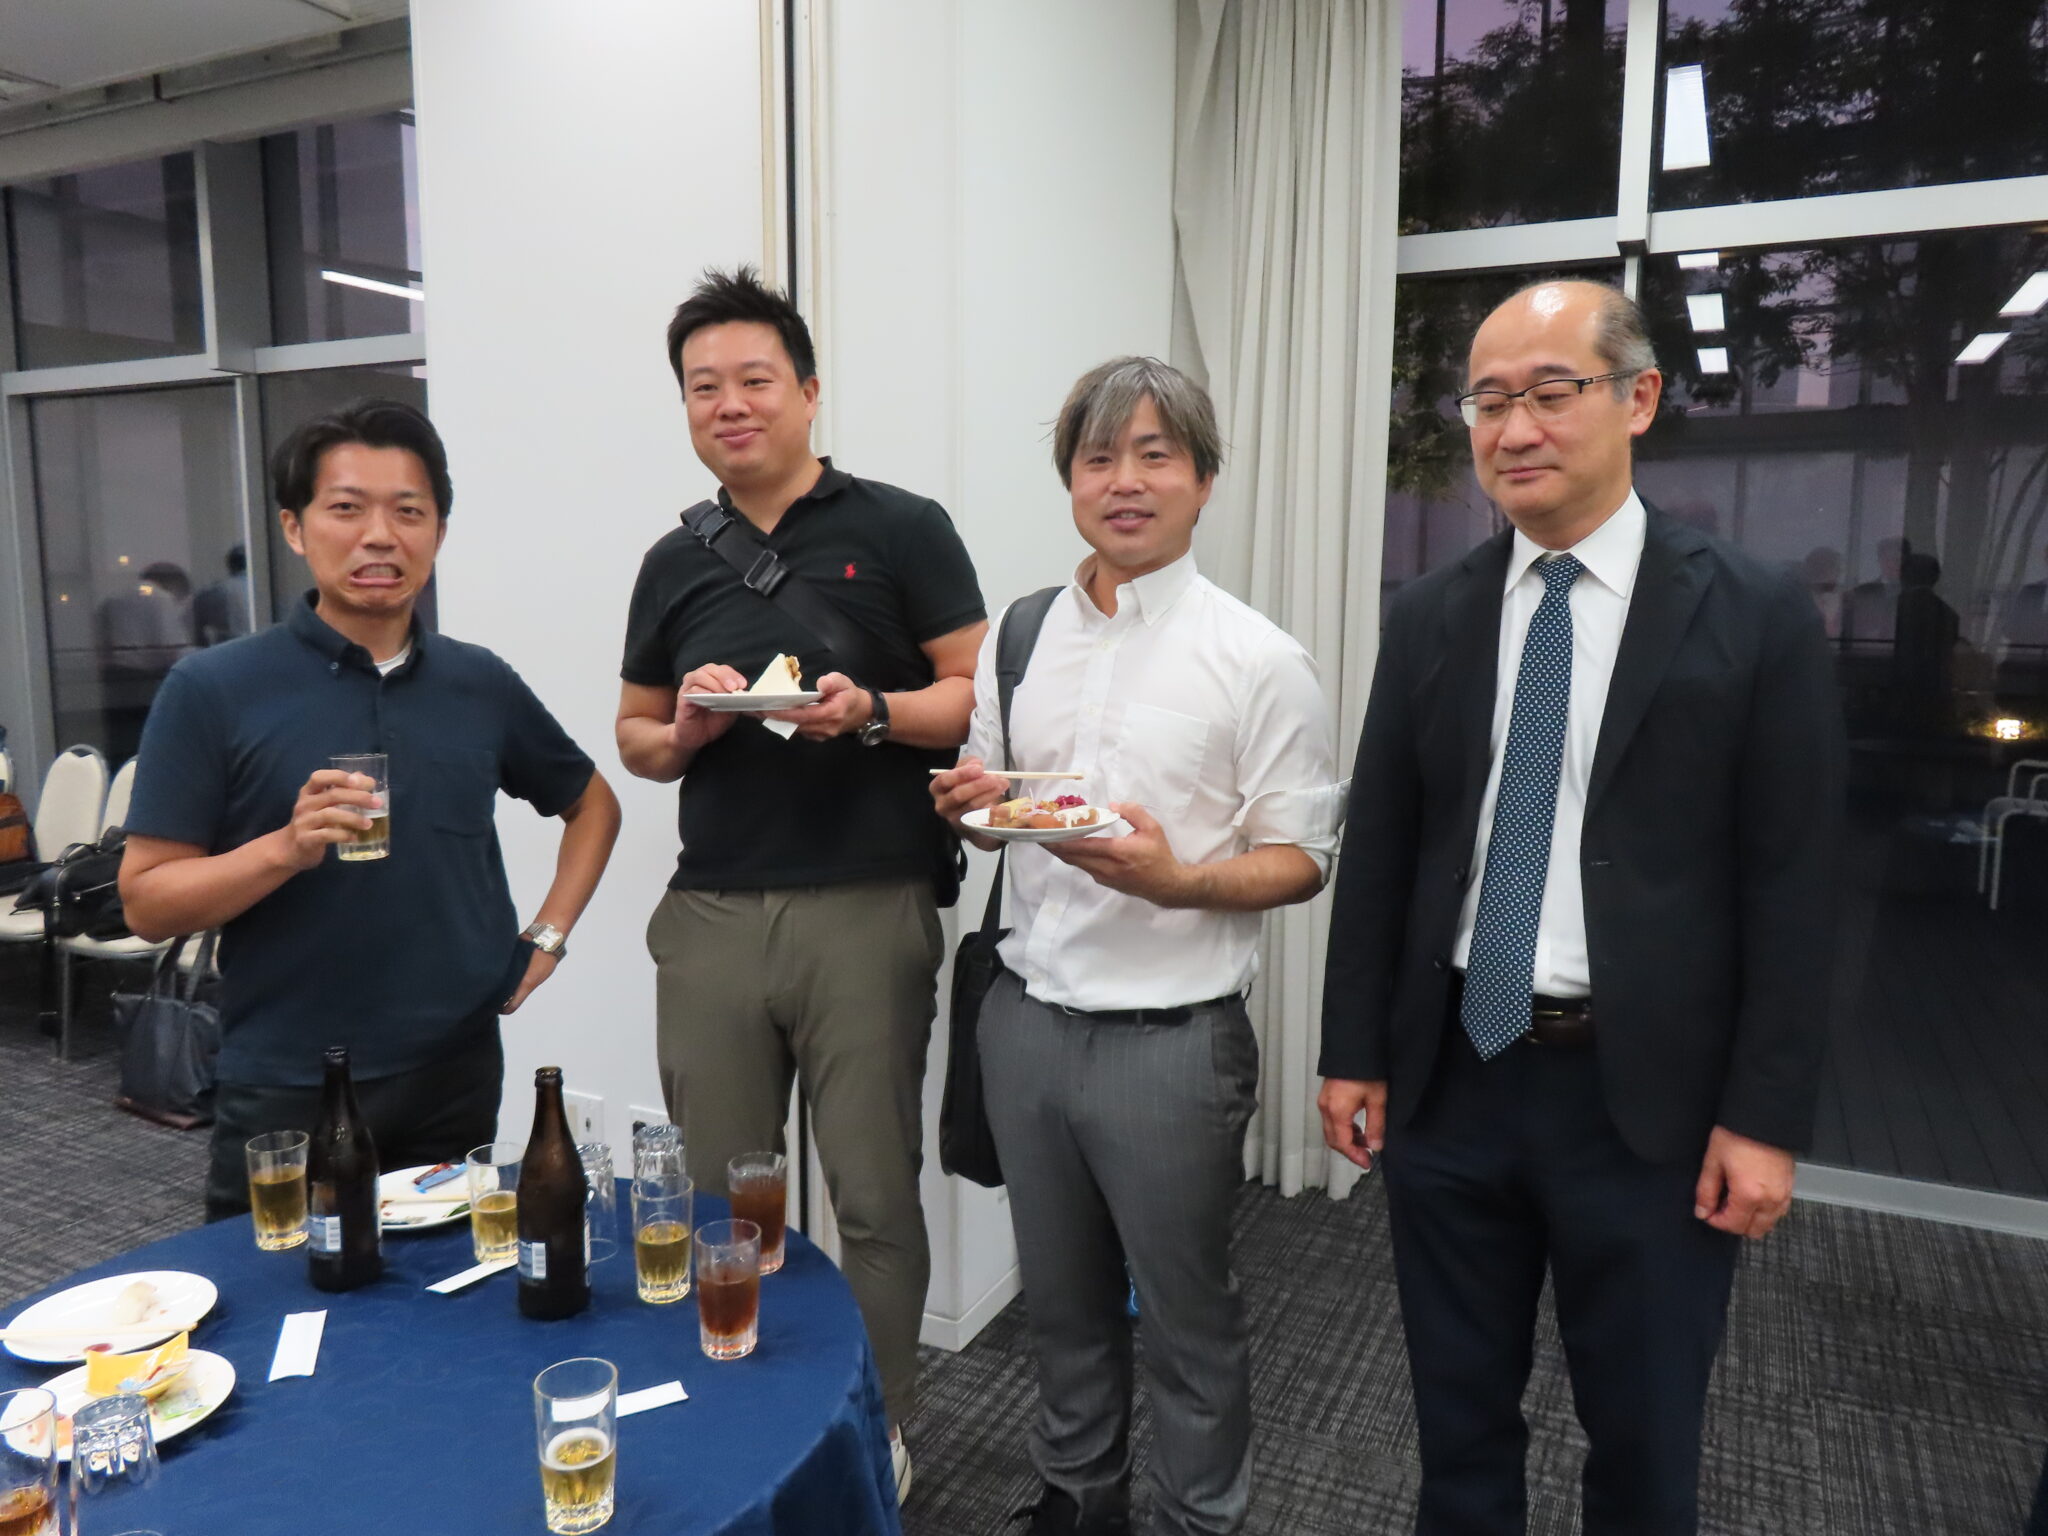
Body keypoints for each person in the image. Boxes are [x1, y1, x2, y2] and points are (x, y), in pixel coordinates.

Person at [1317, 281, 1843, 1535]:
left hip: (1646, 1104)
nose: (1513, 430)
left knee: (1643, 1433)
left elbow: (1794, 883)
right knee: (1455, 1420)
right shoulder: (1429, 614)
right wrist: (1350, 1049)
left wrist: (1762, 1118)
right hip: (1455, 1072)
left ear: (1637, 398)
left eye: (1550, 393)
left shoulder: (1753, 613)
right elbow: (1382, 847)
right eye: (1487, 401)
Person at [932, 357, 1344, 1536]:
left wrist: (1179, 881)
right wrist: (968, 807)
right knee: (1058, 1305)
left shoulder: (1258, 659)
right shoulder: (1019, 636)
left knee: (1185, 1318)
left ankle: (1196, 1517)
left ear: (1203, 479)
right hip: (1024, 1022)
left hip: (1171, 1042)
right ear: (1069, 480)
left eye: (1154, 455)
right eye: (1098, 456)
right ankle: (1077, 1498)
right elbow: (997, 802)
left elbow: (1301, 858)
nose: (1124, 480)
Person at [615, 266, 987, 1495]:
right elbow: (634, 737)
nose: (728, 404)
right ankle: (747, 1436)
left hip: (867, 904)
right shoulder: (673, 559)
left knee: (873, 1196)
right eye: (702, 387)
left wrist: (872, 711)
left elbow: (972, 699)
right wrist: (685, 730)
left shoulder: (902, 527)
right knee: (726, 1200)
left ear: (808, 392)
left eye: (753, 380)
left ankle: (875, 1437)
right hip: (713, 911)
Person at [120, 399, 621, 1221]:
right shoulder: (213, 689)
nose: (380, 537)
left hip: (454, 1071)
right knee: (280, 1293)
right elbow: (146, 902)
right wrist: (284, 848)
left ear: (439, 533)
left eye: (408, 512)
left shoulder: (478, 683)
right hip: (288, 1079)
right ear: (294, 527)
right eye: (347, 508)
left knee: (446, 1286)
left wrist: (547, 938)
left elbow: (592, 804)